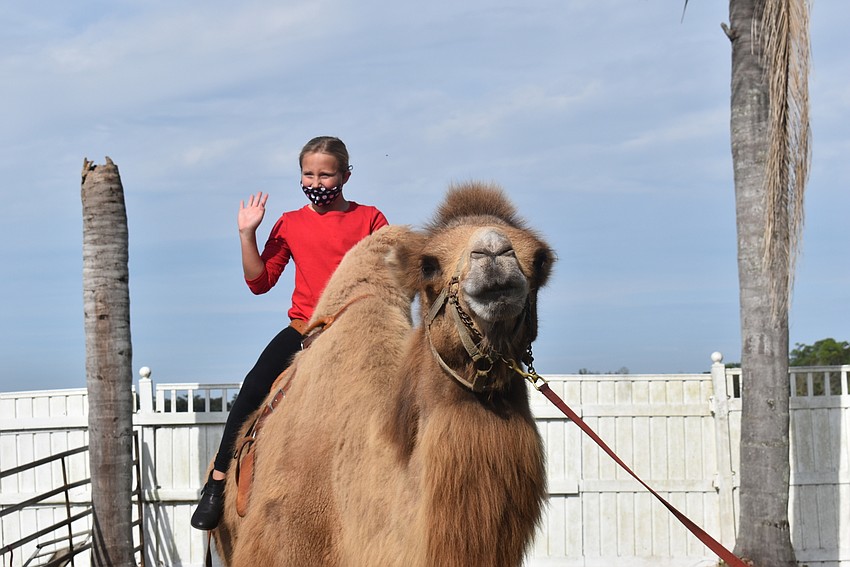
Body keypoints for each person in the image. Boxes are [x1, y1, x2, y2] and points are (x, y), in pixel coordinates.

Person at [190, 136, 389, 530]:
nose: (316, 181)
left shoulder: (370, 219)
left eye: (326, 174)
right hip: (304, 329)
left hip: (358, 330)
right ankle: (216, 484)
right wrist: (247, 234)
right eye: (308, 173)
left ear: (345, 175)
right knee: (252, 388)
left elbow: (390, 272)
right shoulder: (290, 223)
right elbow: (259, 282)